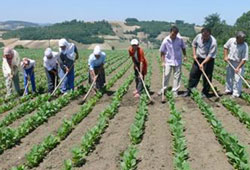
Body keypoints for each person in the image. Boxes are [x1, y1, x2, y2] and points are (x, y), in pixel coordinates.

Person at [183, 28, 217, 97]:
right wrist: (194, 54)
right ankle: (190, 90)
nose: (204, 38)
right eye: (203, 36)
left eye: (206, 36)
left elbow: (210, 55)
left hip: (208, 60)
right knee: (193, 74)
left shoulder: (213, 42)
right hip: (198, 58)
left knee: (207, 76)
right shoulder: (198, 36)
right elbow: (194, 44)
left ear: (210, 34)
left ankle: (205, 92)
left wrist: (203, 63)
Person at [158, 26, 187, 97]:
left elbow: (183, 47)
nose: (174, 35)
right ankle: (164, 89)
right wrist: (163, 61)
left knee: (177, 76)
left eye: (175, 34)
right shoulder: (166, 40)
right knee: (166, 74)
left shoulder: (180, 39)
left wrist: (185, 56)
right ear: (170, 32)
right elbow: (162, 52)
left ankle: (175, 91)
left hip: (178, 60)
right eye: (173, 34)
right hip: (168, 60)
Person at [224, 31, 249, 98]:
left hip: (239, 62)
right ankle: (228, 90)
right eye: (240, 40)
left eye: (243, 40)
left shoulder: (245, 46)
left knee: (237, 78)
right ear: (237, 38)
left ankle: (236, 93)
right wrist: (225, 56)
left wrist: (238, 67)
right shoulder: (231, 40)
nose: (242, 41)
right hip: (230, 61)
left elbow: (244, 59)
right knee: (229, 77)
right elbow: (225, 47)